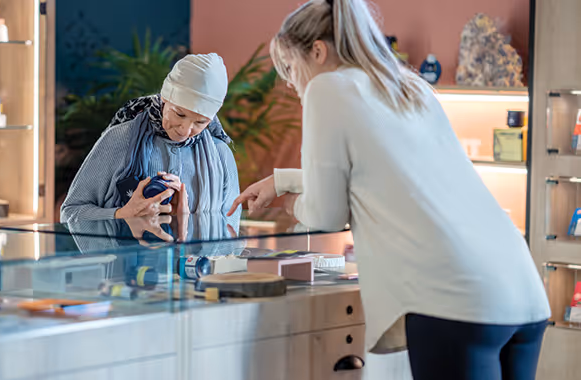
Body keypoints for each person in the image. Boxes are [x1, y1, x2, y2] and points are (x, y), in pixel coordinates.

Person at [228, 1, 550, 379]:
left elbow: (325, 215)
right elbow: (382, 173)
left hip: (457, 299)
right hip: (521, 288)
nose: (290, 82)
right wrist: (284, 181)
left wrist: (291, 204)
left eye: (290, 67)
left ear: (318, 51)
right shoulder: (409, 85)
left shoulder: (327, 89)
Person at [61, 53, 240, 223]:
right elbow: (70, 213)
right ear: (164, 98)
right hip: (124, 255)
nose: (185, 131)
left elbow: (230, 235)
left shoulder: (220, 155)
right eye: (179, 114)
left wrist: (186, 223)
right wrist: (122, 214)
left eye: (200, 122)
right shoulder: (120, 139)